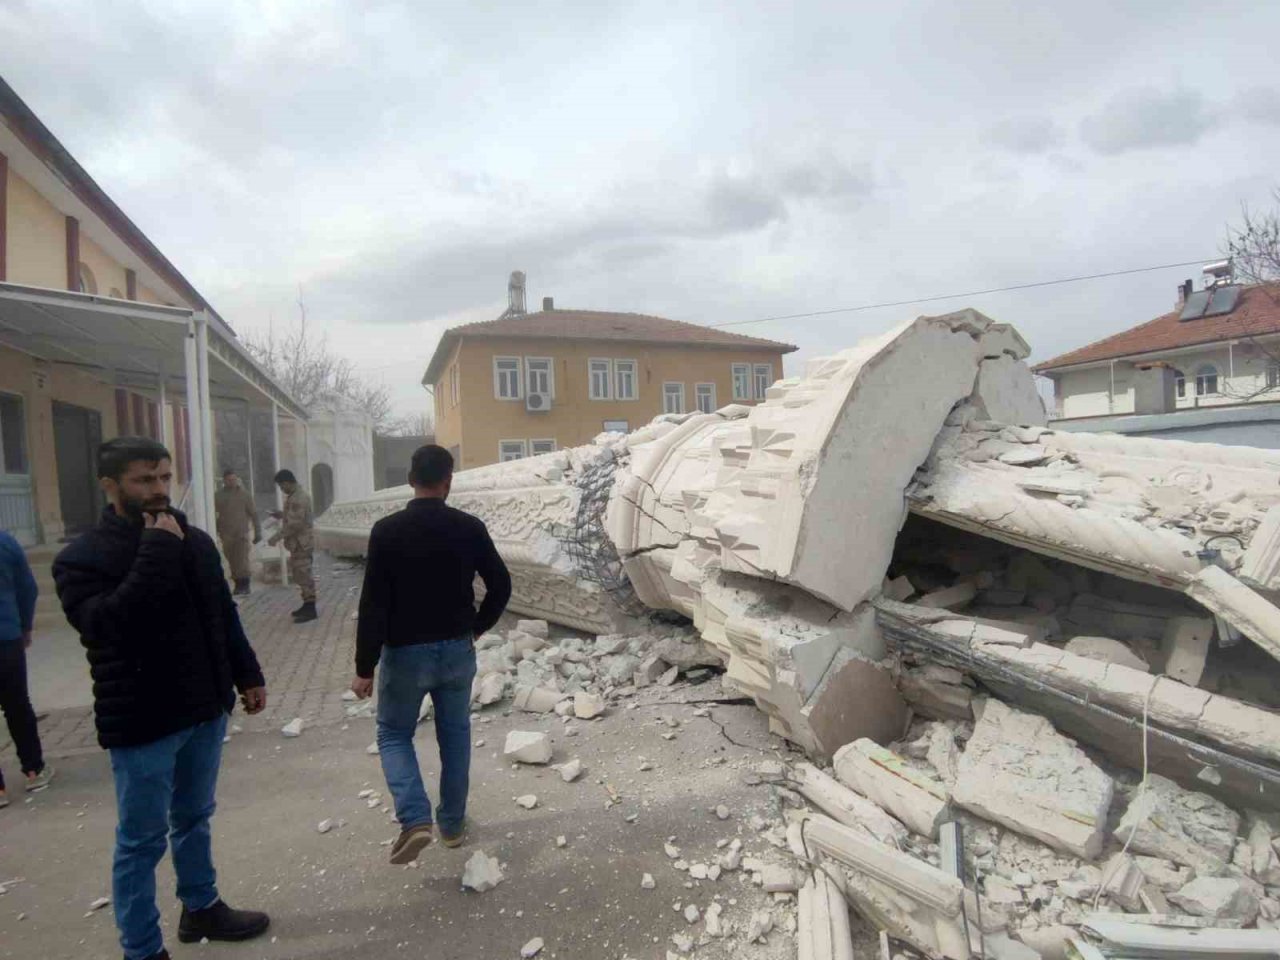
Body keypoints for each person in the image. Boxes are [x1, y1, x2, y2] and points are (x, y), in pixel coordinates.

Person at [53, 437, 270, 960]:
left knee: (194, 817)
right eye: (143, 481)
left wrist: (247, 674)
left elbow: (221, 613)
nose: (158, 491)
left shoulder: (193, 540)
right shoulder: (82, 558)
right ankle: (142, 949)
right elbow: (108, 625)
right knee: (141, 842)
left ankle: (201, 907)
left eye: (164, 479)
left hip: (203, 709)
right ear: (110, 485)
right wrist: (155, 549)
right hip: (143, 720)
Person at [351, 444, 511, 864]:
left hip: (405, 654)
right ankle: (453, 827)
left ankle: (415, 817)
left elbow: (373, 604)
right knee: (455, 736)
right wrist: (475, 627)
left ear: (410, 479)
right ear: (448, 481)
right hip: (457, 650)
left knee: (393, 734)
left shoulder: (386, 531)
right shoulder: (469, 527)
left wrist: (364, 666)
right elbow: (501, 585)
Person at [0, 528, 53, 809]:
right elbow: (27, 588)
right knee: (18, 705)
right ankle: (33, 769)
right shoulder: (5, 542)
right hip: (6, 638)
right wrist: (25, 626)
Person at [268, 469, 316, 623]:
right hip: (298, 544)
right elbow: (293, 516)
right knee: (300, 574)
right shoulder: (294, 497)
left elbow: (295, 524)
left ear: (287, 482)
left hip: (302, 543)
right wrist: (281, 515)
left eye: (282, 486)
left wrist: (276, 537)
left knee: (304, 574)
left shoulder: (298, 498)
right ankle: (306, 603)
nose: (282, 490)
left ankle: (310, 608)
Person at [214, 468, 261, 596]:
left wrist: (258, 532)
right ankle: (237, 585)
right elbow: (214, 515)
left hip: (241, 533)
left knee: (242, 560)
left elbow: (254, 514)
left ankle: (245, 585)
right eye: (229, 480)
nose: (232, 482)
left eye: (234, 479)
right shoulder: (218, 496)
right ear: (224, 481)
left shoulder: (245, 495)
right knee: (232, 560)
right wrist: (217, 529)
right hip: (227, 534)